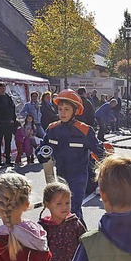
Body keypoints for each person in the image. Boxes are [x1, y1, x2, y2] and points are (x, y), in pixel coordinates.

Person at [36, 89, 105, 223]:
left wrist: (108, 170)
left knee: (72, 210)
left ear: (75, 111)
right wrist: (41, 155)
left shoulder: (85, 130)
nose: (62, 112)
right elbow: (42, 148)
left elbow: (100, 152)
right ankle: (79, 237)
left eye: (67, 109)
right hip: (60, 176)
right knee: (66, 211)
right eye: (60, 109)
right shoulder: (52, 129)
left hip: (79, 178)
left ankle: (78, 240)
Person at [0, 82, 17, 167]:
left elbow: (13, 109)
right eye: (0, 88)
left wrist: (13, 119)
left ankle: (8, 160)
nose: (2, 89)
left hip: (9, 122)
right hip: (0, 122)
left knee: (8, 142)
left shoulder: (9, 98)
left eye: (3, 87)